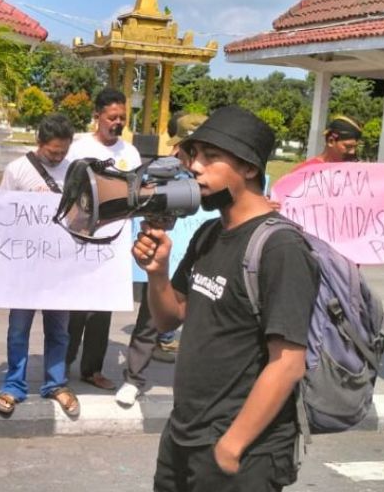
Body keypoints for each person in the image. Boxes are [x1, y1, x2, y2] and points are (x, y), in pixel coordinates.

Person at [133, 105, 320, 491]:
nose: (196, 167)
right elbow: (170, 318)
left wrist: (231, 446)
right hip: (184, 435)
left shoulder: (280, 247)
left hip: (244, 449)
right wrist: (157, 274)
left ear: (250, 168)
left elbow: (287, 364)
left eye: (211, 157)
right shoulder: (208, 235)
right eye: (194, 156)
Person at [0, 113, 80, 417]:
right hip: (25, 268)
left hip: (61, 267)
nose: (58, 158)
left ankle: (56, 383)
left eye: (63, 152)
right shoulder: (19, 170)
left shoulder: (74, 171)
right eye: (52, 152)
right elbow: (3, 211)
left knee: (59, 330)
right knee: (19, 329)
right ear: (39, 143)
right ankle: (13, 386)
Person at [115, 112, 207, 406]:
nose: (194, 155)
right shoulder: (164, 169)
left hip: (207, 260)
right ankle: (134, 379)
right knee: (150, 318)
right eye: (188, 146)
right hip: (169, 261)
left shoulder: (219, 173)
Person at [64, 88, 142, 391]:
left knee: (101, 309)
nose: (118, 122)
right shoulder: (78, 148)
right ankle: (60, 366)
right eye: (112, 117)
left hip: (114, 241)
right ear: (97, 116)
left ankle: (92, 370)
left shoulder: (130, 153)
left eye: (123, 117)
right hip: (79, 238)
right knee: (73, 309)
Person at [293, 115, 362, 170]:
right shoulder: (305, 171)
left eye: (355, 147)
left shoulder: (355, 172)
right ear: (331, 141)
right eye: (348, 147)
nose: (352, 152)